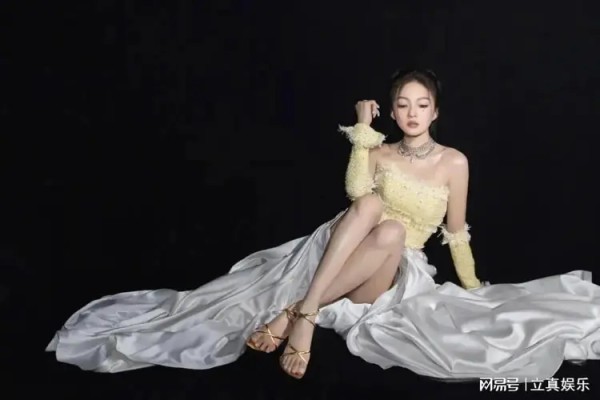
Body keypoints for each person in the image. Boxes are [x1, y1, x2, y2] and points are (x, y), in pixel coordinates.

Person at [46, 69, 600, 382]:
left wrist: (473, 286)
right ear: (392, 110)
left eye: (421, 104)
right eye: (402, 104)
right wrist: (363, 131)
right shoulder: (378, 151)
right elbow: (356, 195)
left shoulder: (454, 162)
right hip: (343, 248)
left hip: (393, 273)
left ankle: (296, 313)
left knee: (391, 234)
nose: (411, 113)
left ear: (435, 112)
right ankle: (307, 313)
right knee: (373, 212)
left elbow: (456, 232)